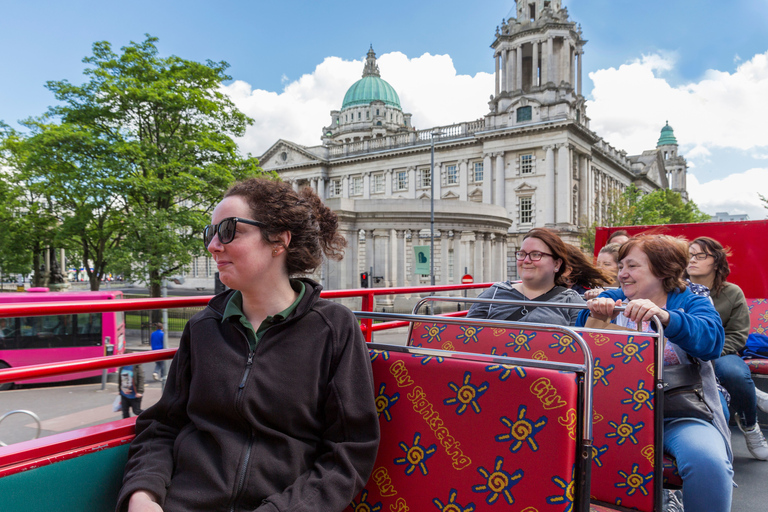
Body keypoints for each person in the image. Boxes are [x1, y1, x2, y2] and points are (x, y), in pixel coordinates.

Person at [117, 178, 380, 512]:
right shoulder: (202, 327)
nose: (213, 245)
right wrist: (143, 493)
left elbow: (349, 451)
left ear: (279, 241)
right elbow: (162, 425)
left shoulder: (334, 328)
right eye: (210, 233)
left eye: (229, 231)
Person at [577, 234, 732, 512]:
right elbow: (578, 347)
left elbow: (712, 342)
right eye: (621, 266)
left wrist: (665, 317)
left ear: (663, 271)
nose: (622, 274)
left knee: (707, 462)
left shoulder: (692, 298)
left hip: (676, 410)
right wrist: (595, 313)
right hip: (610, 411)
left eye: (632, 266)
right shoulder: (613, 299)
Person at [686, 236, 768, 460]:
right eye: (689, 255)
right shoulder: (675, 288)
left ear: (716, 261)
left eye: (699, 255)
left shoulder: (731, 293)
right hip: (681, 353)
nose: (691, 260)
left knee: (734, 373)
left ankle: (751, 427)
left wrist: (709, 353)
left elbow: (738, 335)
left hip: (720, 352)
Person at [467, 228, 585, 326]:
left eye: (536, 255)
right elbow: (466, 337)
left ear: (557, 264)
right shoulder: (493, 294)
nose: (526, 260)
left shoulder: (570, 301)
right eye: (522, 254)